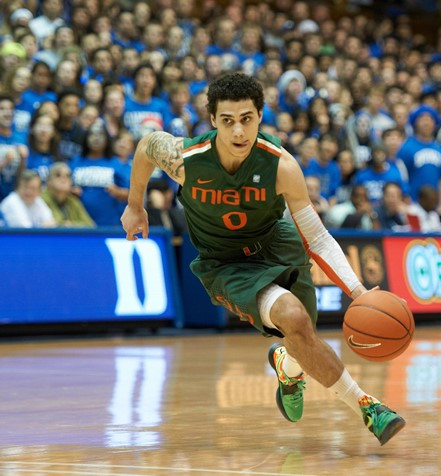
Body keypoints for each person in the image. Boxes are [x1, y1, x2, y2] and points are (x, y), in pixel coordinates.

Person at [121, 72, 405, 446]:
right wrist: (135, 204)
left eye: (246, 119)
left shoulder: (281, 166)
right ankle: (369, 408)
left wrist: (357, 290)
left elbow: (317, 236)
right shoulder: (187, 161)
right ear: (212, 121)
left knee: (302, 339)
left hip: (277, 242)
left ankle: (287, 367)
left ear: (259, 116)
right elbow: (146, 146)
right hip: (226, 263)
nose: (238, 132)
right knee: (294, 318)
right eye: (227, 121)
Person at [41, 162, 95, 227]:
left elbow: (90, 225)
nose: (63, 179)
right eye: (58, 175)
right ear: (48, 181)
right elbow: (52, 223)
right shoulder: (41, 200)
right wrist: (66, 225)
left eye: (67, 176)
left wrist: (71, 225)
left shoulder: (73, 201)